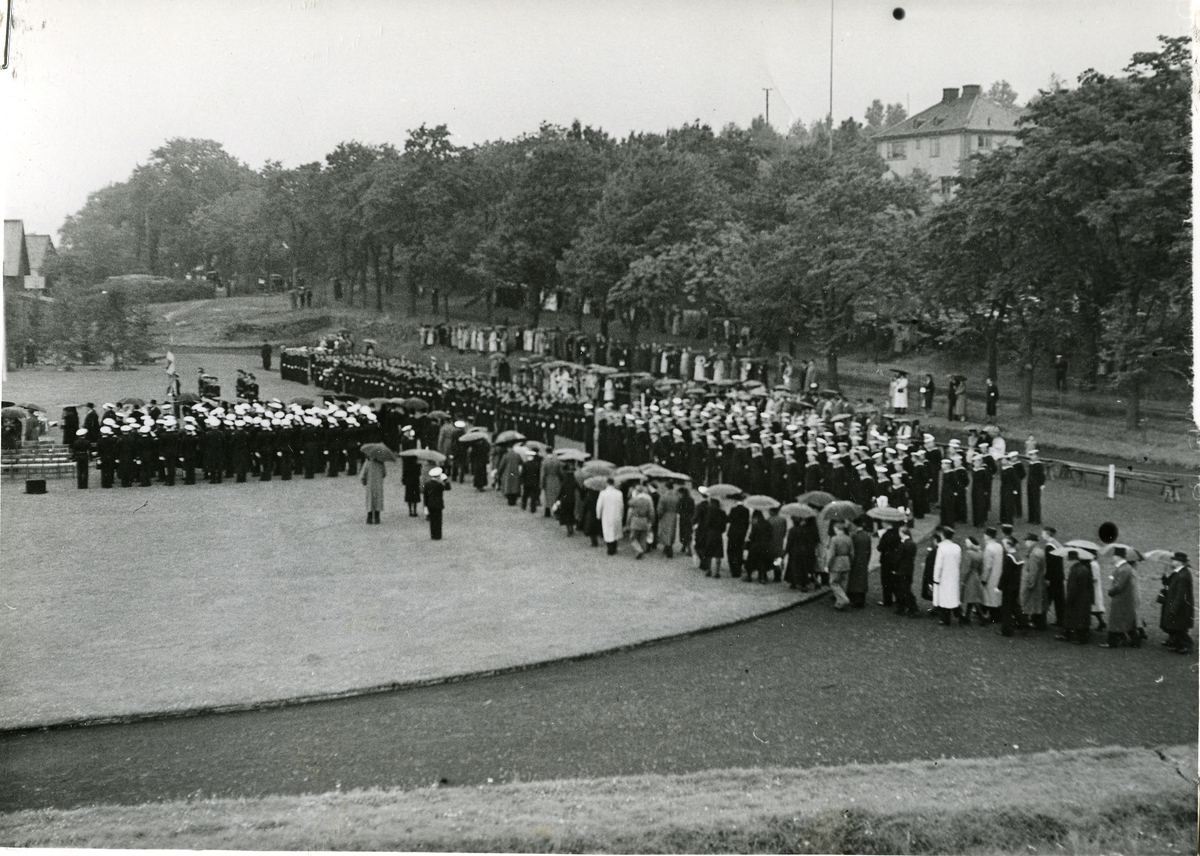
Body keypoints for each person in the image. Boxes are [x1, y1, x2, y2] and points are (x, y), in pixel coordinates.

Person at [1101, 546, 1139, 648]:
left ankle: (1112, 642)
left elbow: (1119, 586)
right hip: (1124, 598)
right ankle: (1134, 640)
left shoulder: (1124, 569)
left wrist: (1110, 591)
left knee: (1115, 621)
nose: (1113, 557)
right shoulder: (1125, 568)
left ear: (1118, 556)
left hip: (1120, 598)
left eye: (1114, 555)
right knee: (1124, 621)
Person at [1159, 553, 1194, 654]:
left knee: (1180, 628)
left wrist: (1174, 608)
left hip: (1180, 606)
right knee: (1178, 626)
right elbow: (1171, 584)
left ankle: (1186, 646)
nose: (1172, 562)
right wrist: (1165, 578)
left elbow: (1180, 594)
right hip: (1178, 605)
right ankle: (1178, 645)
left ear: (1179, 562)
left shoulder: (1182, 575)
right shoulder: (1180, 573)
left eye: (1174, 560)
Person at [1057, 551, 1094, 644]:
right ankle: (1076, 636)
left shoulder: (1075, 571)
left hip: (1077, 598)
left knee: (1075, 617)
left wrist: (1069, 600)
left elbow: (1073, 588)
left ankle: (1078, 638)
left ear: (1071, 560)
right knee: (1082, 618)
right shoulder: (1085, 568)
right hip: (1085, 597)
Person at [932, 527, 962, 625]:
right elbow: (959, 561)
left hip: (944, 575)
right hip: (954, 574)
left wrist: (936, 578)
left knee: (944, 597)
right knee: (953, 595)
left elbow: (938, 565)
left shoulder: (941, 548)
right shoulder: (957, 547)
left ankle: (945, 619)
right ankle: (959, 614)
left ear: (942, 535)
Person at [998, 536, 1026, 636]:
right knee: (1015, 606)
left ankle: (1006, 630)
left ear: (1009, 544)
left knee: (1006, 609)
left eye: (1005, 543)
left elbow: (1005, 574)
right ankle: (1023, 624)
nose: (1003, 545)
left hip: (1008, 587)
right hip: (1016, 586)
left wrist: (999, 586)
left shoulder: (1009, 557)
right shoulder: (1018, 556)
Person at [1021, 533, 1048, 631]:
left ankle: (1028, 624)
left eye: (1027, 541)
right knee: (1039, 603)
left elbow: (1033, 570)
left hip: (1035, 582)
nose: (1025, 543)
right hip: (1040, 581)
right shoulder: (1039, 551)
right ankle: (1040, 624)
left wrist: (1030, 584)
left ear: (1031, 541)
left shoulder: (1034, 554)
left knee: (1029, 602)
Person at [785, 515, 819, 591]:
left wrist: (785, 552)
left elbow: (789, 543)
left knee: (793, 567)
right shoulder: (806, 530)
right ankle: (803, 584)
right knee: (802, 568)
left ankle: (793, 582)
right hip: (804, 551)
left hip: (794, 551)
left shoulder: (792, 530)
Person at [826, 521, 854, 610]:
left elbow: (831, 554)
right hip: (846, 562)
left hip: (837, 563)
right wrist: (850, 562)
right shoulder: (849, 538)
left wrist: (827, 565)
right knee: (843, 583)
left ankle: (844, 600)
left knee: (833, 583)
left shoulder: (834, 539)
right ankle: (839, 603)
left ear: (836, 529)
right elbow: (852, 553)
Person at [959, 536, 988, 625]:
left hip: (969, 578)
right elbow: (981, 568)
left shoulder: (968, 554)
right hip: (976, 576)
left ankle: (982, 616)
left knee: (972, 598)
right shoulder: (980, 553)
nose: (966, 544)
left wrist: (963, 580)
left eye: (967, 542)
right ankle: (967, 616)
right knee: (972, 597)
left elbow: (966, 569)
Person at [596, 478, 625, 555]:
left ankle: (610, 548)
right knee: (615, 531)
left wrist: (598, 515)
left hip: (606, 515)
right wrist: (621, 514)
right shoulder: (619, 493)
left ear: (607, 483)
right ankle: (614, 547)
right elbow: (621, 505)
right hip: (616, 514)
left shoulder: (603, 493)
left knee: (607, 531)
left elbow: (599, 505)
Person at [981, 528, 1004, 623]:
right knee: (996, 597)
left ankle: (988, 616)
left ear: (988, 536)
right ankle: (996, 616)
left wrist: (984, 578)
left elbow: (987, 566)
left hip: (991, 577)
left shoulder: (989, 548)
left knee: (988, 596)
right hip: (998, 574)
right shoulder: (999, 546)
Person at [744, 509, 774, 583]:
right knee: (763, 561)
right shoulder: (768, 524)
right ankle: (762, 577)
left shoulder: (756, 525)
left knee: (751, 561)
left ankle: (749, 576)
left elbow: (752, 537)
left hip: (756, 545)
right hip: (766, 546)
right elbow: (771, 536)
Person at [626, 485, 655, 559]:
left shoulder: (634, 501)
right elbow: (651, 512)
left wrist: (627, 522)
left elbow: (630, 511)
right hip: (644, 520)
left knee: (633, 537)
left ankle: (639, 550)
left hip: (635, 519)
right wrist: (651, 521)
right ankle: (642, 550)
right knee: (642, 537)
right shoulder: (647, 501)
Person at [848, 518, 872, 607]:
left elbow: (851, 550)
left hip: (855, 560)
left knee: (854, 580)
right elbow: (869, 550)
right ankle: (862, 600)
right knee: (862, 580)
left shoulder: (854, 536)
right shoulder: (867, 535)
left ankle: (855, 600)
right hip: (864, 560)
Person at [726, 498, 750, 579]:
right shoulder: (746, 510)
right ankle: (738, 568)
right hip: (741, 534)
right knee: (739, 551)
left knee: (731, 551)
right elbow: (747, 523)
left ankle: (733, 569)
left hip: (732, 533)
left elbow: (729, 519)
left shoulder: (733, 509)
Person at [423, 467, 450, 539]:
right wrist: (445, 480)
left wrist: (425, 506)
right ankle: (438, 535)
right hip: (438, 504)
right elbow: (448, 488)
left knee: (432, 520)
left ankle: (433, 534)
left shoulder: (427, 484)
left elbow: (425, 496)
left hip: (430, 504)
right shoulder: (439, 485)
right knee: (438, 520)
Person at [656, 483, 679, 558]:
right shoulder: (676, 496)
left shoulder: (664, 496)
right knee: (672, 532)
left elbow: (660, 509)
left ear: (666, 488)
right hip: (674, 515)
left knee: (665, 531)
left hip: (666, 515)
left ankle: (668, 548)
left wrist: (659, 515)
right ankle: (668, 546)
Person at [361, 453, 386, 524]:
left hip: (370, 485)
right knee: (378, 500)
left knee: (370, 500)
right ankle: (377, 517)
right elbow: (384, 474)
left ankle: (369, 517)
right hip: (378, 485)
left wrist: (364, 482)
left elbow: (363, 475)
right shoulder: (381, 464)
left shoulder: (368, 463)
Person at [767, 505, 788, 582]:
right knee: (778, 559)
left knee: (771, 558)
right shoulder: (783, 520)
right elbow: (784, 532)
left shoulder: (769, 520)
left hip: (771, 543)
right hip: (779, 543)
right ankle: (777, 575)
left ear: (771, 511)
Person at [557, 465, 577, 536]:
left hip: (565, 500)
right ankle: (571, 528)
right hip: (572, 499)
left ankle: (569, 529)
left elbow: (561, 490)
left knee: (566, 514)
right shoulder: (574, 481)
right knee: (571, 514)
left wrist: (558, 498)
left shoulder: (565, 481)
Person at [677, 486, 695, 557]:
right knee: (688, 533)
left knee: (683, 533)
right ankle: (686, 547)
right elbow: (693, 509)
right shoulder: (691, 499)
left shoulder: (681, 500)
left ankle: (687, 548)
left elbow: (679, 509)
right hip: (690, 518)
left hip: (683, 518)